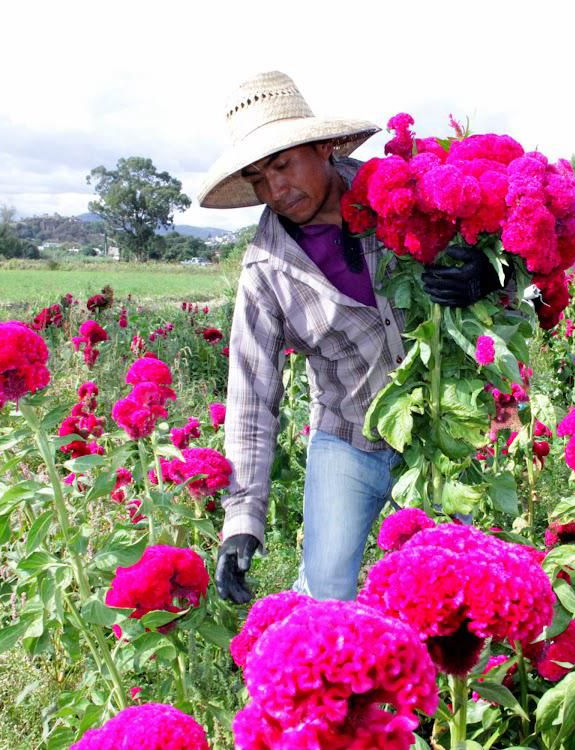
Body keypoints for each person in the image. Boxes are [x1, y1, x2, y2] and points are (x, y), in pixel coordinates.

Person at [198, 71, 501, 604]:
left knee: (464, 589)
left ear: (323, 146)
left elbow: (499, 253)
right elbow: (251, 394)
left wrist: (486, 272)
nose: (275, 191)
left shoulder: (402, 195)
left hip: (439, 433)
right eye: (258, 178)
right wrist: (241, 519)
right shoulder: (266, 269)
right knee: (325, 593)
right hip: (348, 436)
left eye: (282, 166)